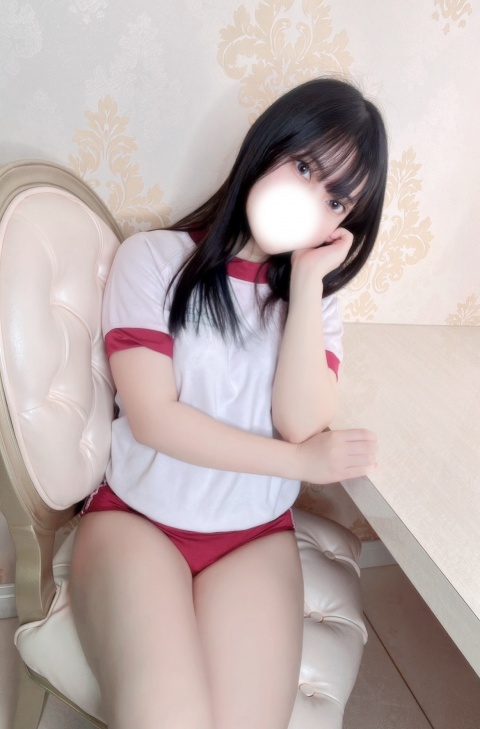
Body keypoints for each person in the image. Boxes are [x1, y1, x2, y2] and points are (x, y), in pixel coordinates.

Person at [70, 77, 388, 729]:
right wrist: (301, 464)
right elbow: (154, 419)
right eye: (305, 167)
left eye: (336, 200)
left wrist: (307, 282)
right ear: (268, 146)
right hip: (136, 520)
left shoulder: (315, 305)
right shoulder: (153, 259)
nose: (311, 200)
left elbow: (301, 423)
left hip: (253, 536)